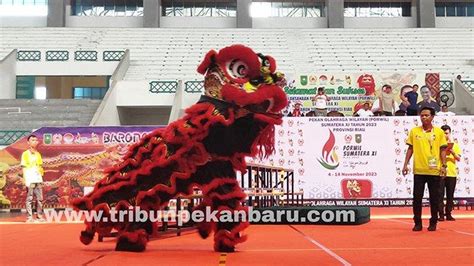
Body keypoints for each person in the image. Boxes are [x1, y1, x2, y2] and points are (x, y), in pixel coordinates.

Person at [402, 107, 447, 232]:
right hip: (419, 171)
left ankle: (433, 222)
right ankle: (417, 222)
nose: (424, 117)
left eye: (427, 115)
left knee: (435, 198)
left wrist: (444, 166)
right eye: (422, 115)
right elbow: (410, 149)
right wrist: (405, 164)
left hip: (434, 171)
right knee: (417, 197)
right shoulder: (414, 131)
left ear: (432, 117)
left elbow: (443, 150)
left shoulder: (439, 132)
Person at [438, 125, 461, 221]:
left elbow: (458, 158)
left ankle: (448, 213)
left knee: (450, 195)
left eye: (447, 133)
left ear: (450, 133)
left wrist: (452, 152)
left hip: (451, 173)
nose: (445, 135)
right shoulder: (437, 144)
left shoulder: (455, 145)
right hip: (440, 172)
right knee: (439, 195)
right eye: (443, 133)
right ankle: (441, 215)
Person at [21, 135, 45, 223]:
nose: (35, 141)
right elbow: (23, 167)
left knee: (40, 199)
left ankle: (39, 216)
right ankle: (29, 217)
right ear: (28, 142)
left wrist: (41, 178)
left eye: (36, 140)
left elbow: (40, 166)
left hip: (38, 178)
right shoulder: (25, 154)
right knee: (29, 199)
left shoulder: (38, 154)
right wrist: (25, 179)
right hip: (30, 179)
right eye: (32, 140)